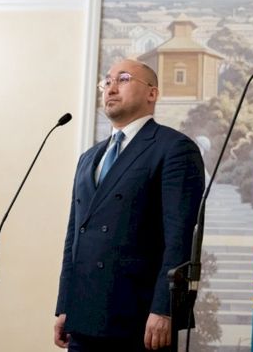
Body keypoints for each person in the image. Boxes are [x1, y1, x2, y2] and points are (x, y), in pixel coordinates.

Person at [54, 59, 205, 351]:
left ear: (152, 93)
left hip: (140, 318)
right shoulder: (89, 157)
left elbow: (181, 237)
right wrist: (65, 305)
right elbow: (74, 238)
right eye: (106, 82)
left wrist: (165, 309)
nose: (111, 88)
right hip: (83, 317)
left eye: (123, 79)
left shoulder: (174, 148)